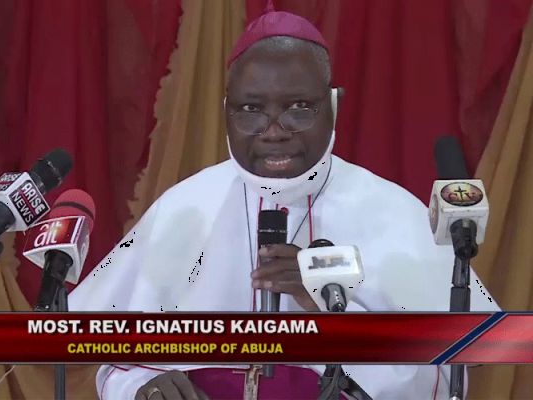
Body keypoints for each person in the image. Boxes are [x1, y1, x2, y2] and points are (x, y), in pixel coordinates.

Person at [69, 9, 499, 400]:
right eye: (251, 111)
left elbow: (449, 369)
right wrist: (142, 386)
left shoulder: (390, 211)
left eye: (299, 109)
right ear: (227, 112)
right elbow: (117, 361)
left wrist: (334, 315)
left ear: (333, 106)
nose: (274, 132)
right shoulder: (184, 207)